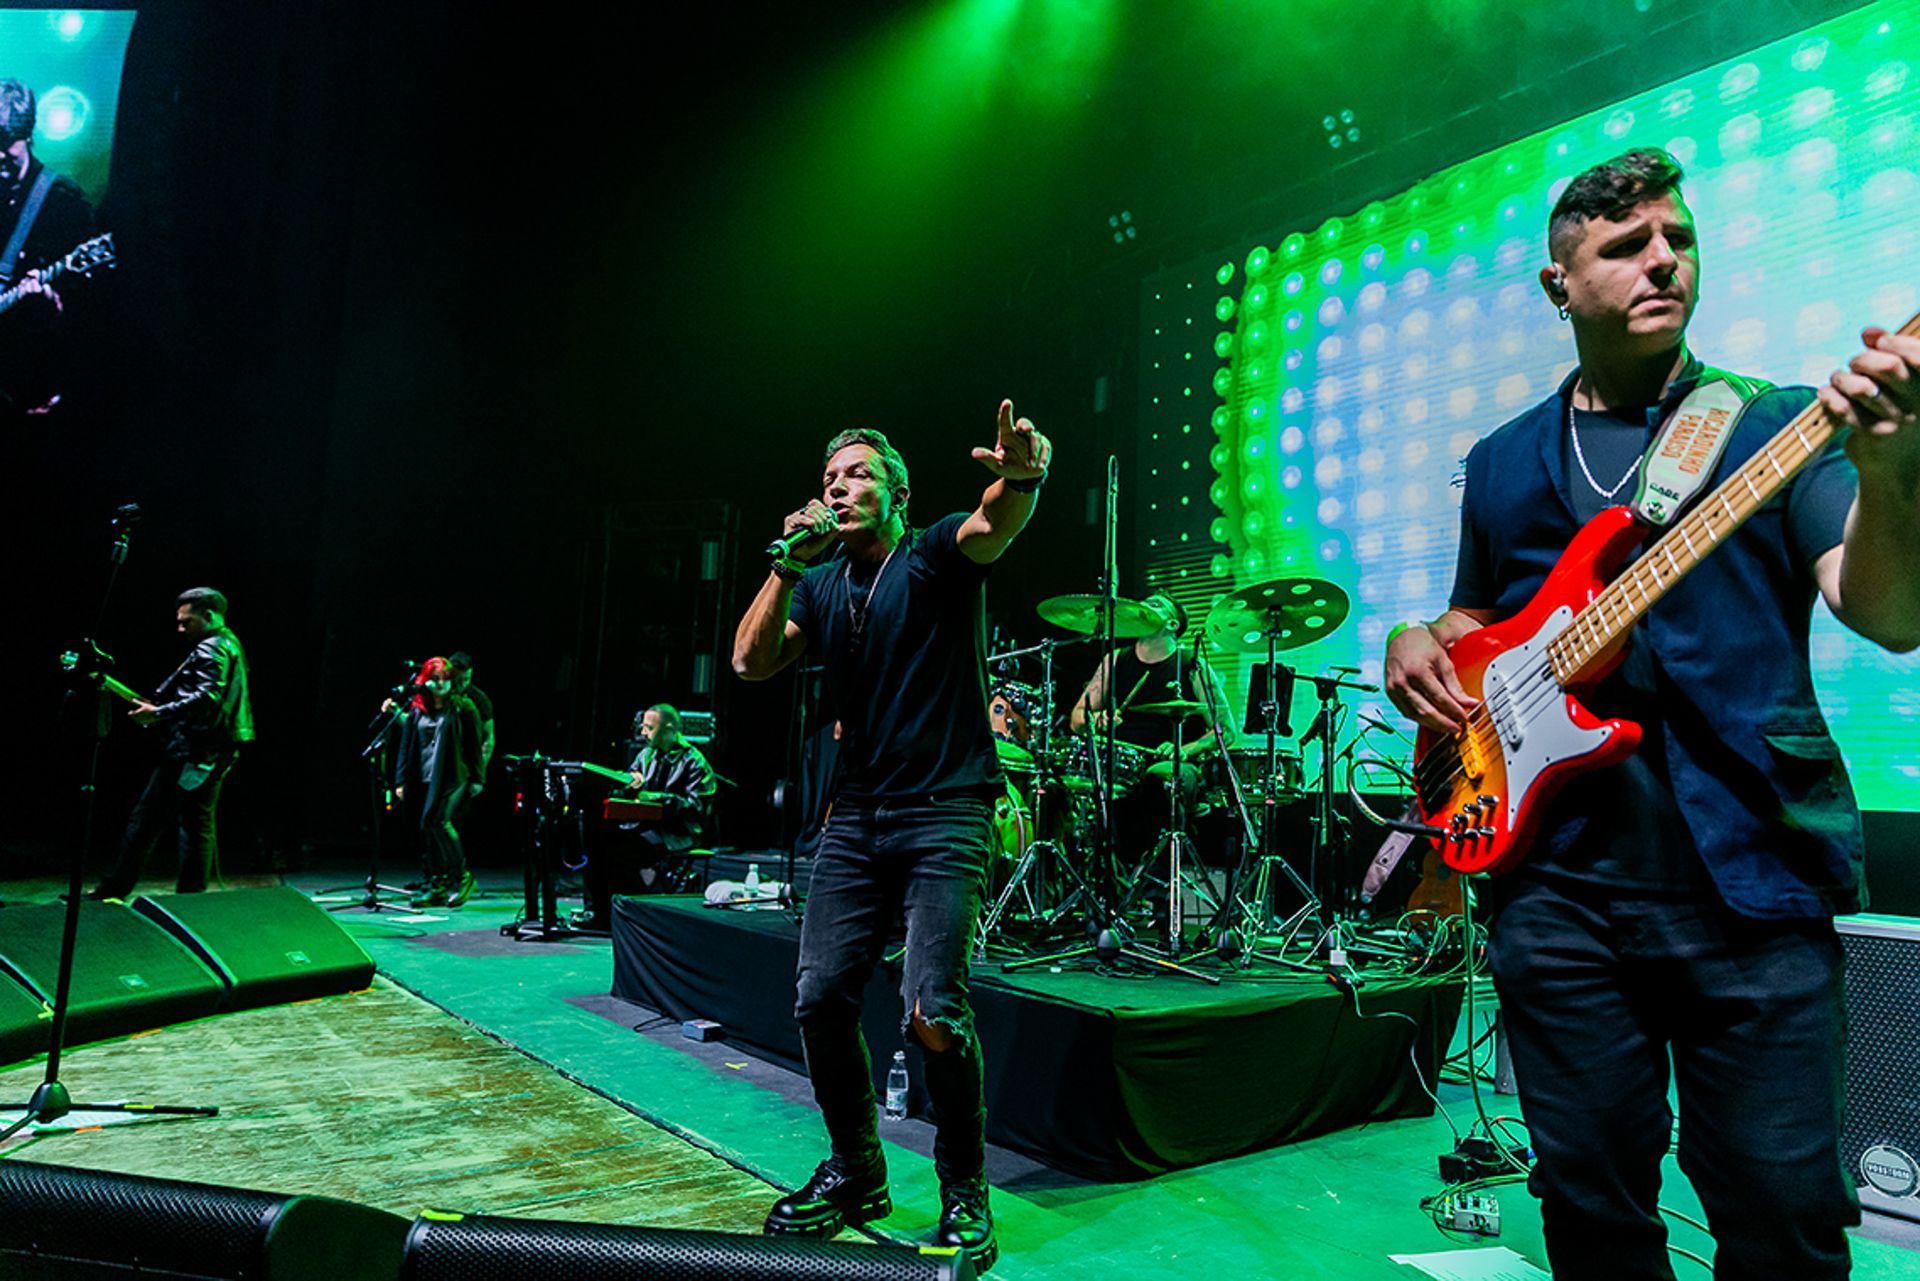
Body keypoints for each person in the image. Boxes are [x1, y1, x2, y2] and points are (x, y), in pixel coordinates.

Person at [1384, 147, 1920, 1280]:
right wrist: (1412, 639)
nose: (1664, 260)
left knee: (1783, 1220)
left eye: (1677, 239)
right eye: (1626, 247)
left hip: (1754, 886)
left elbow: (1887, 612)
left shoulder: (1769, 425)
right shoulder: (1501, 460)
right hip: (1560, 893)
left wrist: (1890, 470)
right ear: (1558, 286)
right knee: (1590, 1205)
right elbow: (1477, 613)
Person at [732, 401, 1052, 1272]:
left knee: (931, 1009)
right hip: (856, 816)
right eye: (831, 480)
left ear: (898, 491)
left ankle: (964, 1191)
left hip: (945, 810)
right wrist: (781, 567)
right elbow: (750, 662)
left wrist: (1023, 475)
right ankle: (857, 1171)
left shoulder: (933, 552)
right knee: (818, 995)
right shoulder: (823, 581)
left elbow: (994, 522)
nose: (841, 489)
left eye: (860, 474)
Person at [93, 588, 254, 899]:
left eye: (187, 621)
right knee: (196, 823)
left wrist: (158, 714)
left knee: (148, 819)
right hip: (217, 746)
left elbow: (208, 696)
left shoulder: (212, 648)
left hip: (196, 749)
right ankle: (191, 898)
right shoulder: (230, 642)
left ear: (208, 616)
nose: (181, 628)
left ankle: (115, 888)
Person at [1067, 593, 1234, 864]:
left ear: (1172, 624)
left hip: (1174, 763)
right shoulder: (1115, 660)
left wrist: (1185, 749)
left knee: (1160, 779)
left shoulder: (1191, 664)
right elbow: (1076, 719)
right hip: (1119, 761)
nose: (1144, 606)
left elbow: (1225, 730)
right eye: (1142, 603)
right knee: (1055, 787)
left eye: (1155, 604)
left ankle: (1157, 883)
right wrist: (1099, 720)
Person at [0, 78, 96, 415]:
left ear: (28, 136)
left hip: (34, 384)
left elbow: (94, 309)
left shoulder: (61, 201)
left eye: (6, 144)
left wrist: (55, 305)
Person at [576, 703, 717, 928]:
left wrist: (657, 798)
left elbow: (696, 807)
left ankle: (628, 909)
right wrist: (627, 785)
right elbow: (629, 790)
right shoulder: (645, 755)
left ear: (670, 730)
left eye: (649, 728)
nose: (643, 733)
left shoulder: (694, 761)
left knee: (616, 851)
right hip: (642, 828)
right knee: (594, 837)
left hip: (675, 833)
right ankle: (598, 911)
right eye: (643, 727)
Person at [392, 657, 483, 908]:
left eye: (445, 678)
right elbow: (406, 745)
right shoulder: (417, 709)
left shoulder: (464, 707)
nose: (440, 683)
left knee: (438, 821)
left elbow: (475, 746)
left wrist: (478, 778)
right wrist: (400, 780)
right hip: (424, 777)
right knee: (428, 827)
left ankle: (463, 876)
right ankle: (439, 885)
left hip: (454, 776)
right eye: (435, 678)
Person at [447, 651, 494, 789]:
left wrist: (478, 775)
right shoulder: (440, 694)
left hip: (463, 771)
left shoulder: (480, 700)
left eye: (466, 679)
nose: (462, 684)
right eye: (458, 679)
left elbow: (488, 740)